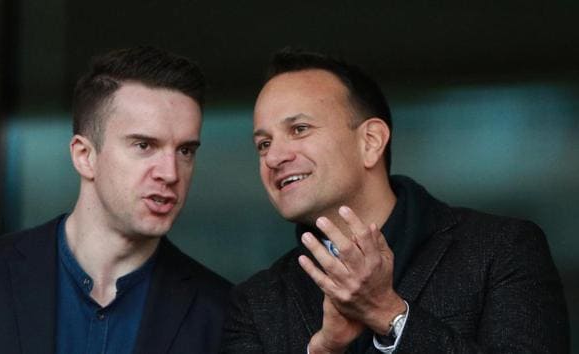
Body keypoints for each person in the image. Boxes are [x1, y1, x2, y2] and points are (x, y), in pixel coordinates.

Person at [221, 48, 569, 353]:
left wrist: (388, 314)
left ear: (371, 141)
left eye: (299, 129)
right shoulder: (255, 303)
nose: (273, 157)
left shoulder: (501, 250)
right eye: (263, 144)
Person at [0, 46, 231, 354]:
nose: (170, 173)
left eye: (185, 151)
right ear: (85, 156)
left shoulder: (221, 313)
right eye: (144, 145)